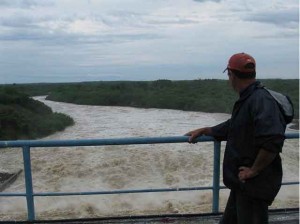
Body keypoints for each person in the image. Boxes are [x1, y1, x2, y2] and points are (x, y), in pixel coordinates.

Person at [185, 53, 288, 224]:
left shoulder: (260, 100)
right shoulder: (250, 98)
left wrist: (254, 170)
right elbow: (237, 125)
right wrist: (207, 130)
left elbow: (273, 140)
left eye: (228, 75)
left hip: (254, 184)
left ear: (232, 75)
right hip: (242, 184)